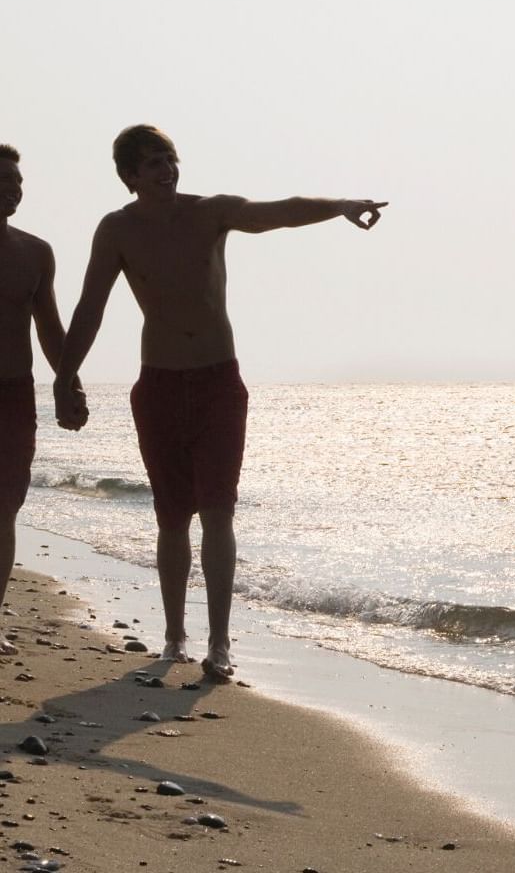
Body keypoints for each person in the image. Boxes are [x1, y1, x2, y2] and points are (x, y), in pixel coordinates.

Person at [54, 125, 386, 680]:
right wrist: (66, 375)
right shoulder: (116, 230)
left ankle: (220, 642)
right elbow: (91, 303)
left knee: (218, 511)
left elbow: (278, 211)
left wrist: (341, 206)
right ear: (130, 176)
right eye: (154, 163)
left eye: (171, 159)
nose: (167, 170)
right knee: (170, 517)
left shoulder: (210, 212)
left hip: (217, 383)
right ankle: (174, 636)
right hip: (157, 384)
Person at [0, 144, 85, 652]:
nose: (13, 188)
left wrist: (68, 382)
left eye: (18, 181)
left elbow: (50, 329)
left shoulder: (36, 252)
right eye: (4, 180)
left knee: (4, 509)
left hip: (13, 395)